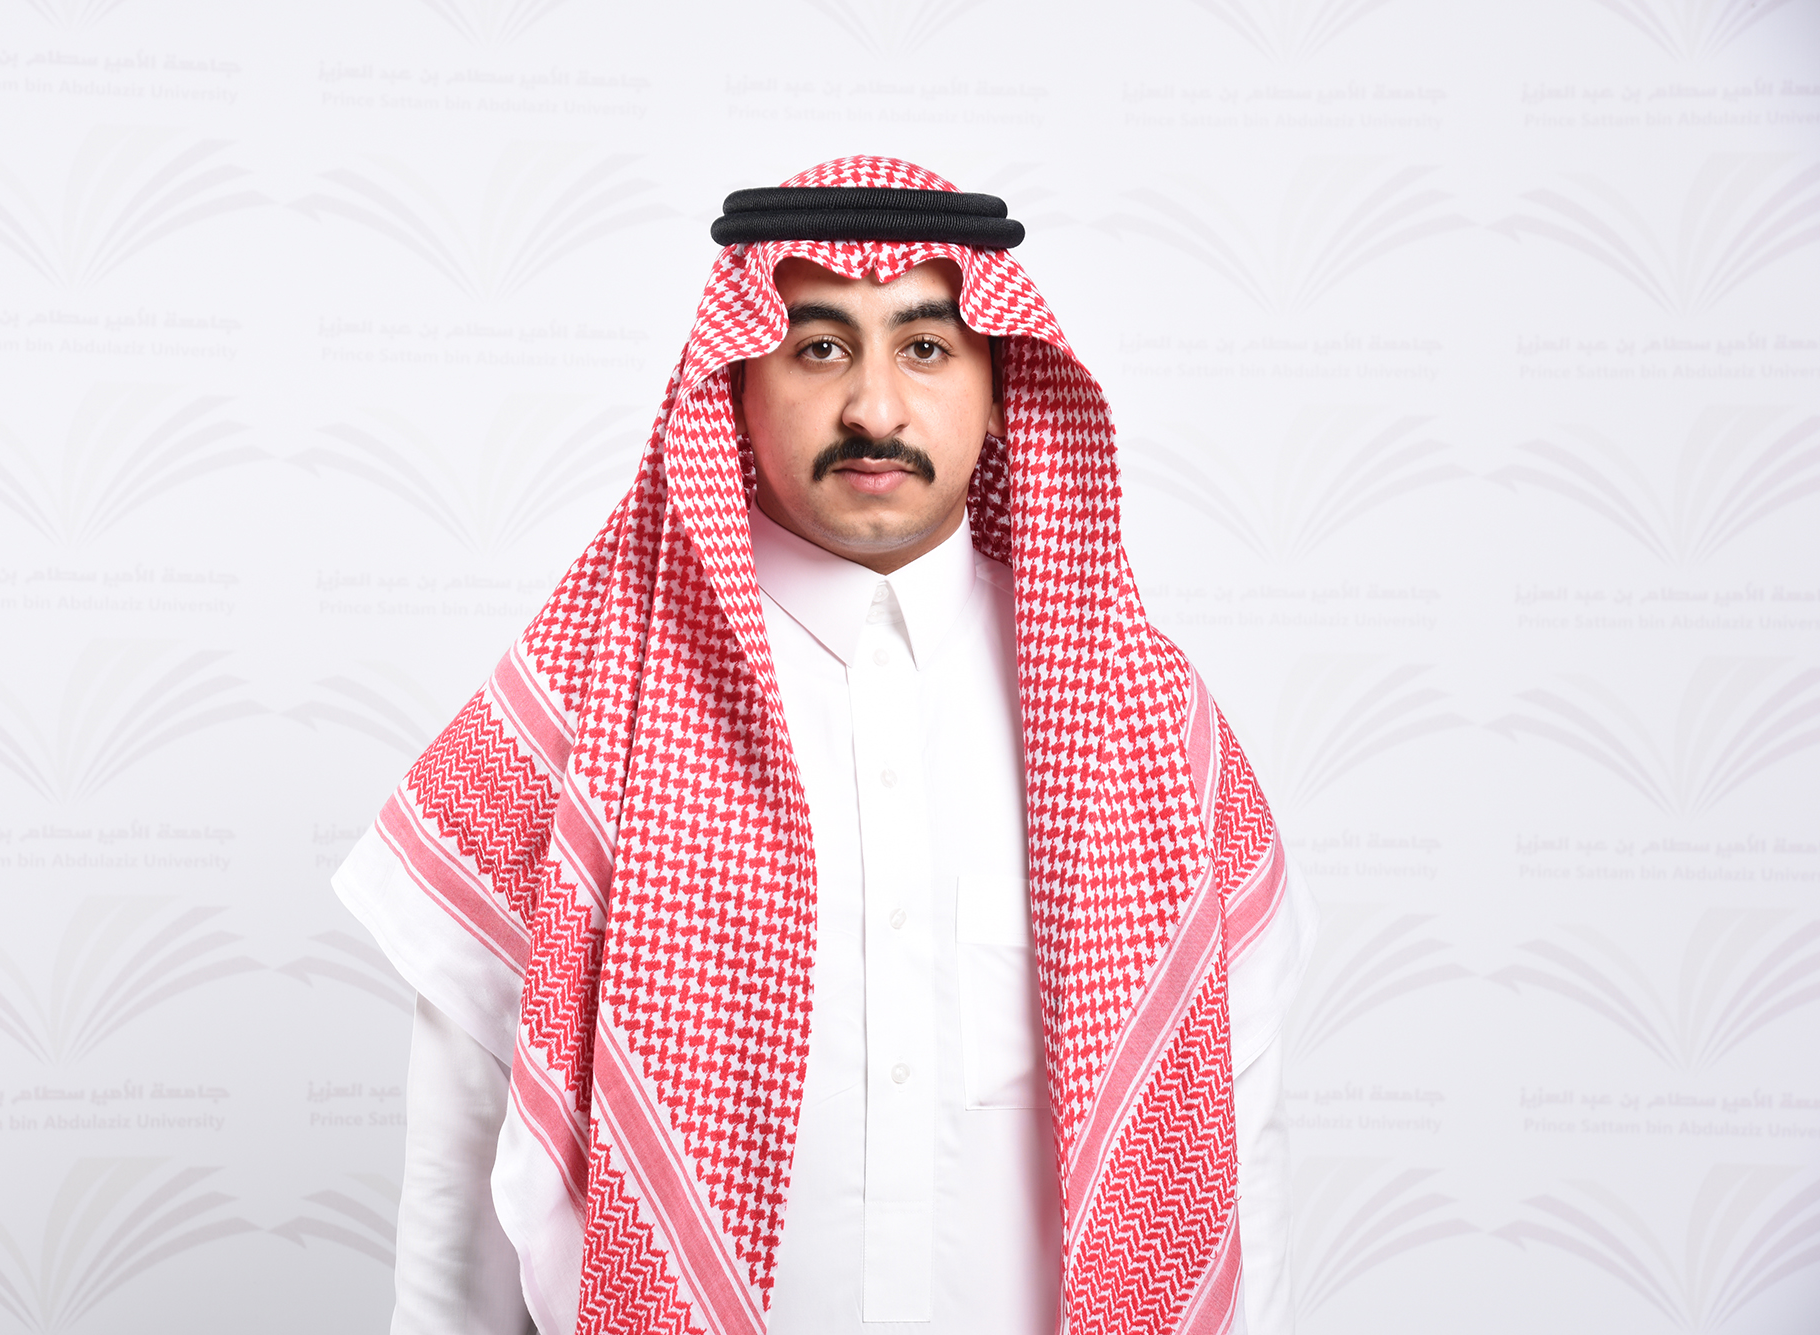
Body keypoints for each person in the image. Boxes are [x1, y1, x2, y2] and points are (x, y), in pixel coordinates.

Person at [333, 156, 1316, 1335]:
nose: (874, 411)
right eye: (818, 349)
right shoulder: (579, 707)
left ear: (1001, 389)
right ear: (735, 386)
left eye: (925, 347)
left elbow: (1233, 1163)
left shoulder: (1143, 721)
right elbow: (460, 1200)